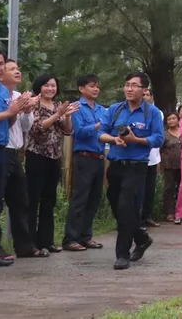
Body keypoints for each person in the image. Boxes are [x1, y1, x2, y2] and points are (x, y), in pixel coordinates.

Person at [101, 71, 163, 270]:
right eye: (127, 84)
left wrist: (136, 140)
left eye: (134, 85)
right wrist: (114, 139)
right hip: (116, 165)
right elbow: (101, 133)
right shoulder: (115, 109)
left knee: (126, 207)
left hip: (137, 167)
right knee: (117, 206)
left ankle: (122, 254)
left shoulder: (151, 112)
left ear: (144, 90)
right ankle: (141, 237)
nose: (128, 89)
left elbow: (158, 138)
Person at [0, 47, 27, 270]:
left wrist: (16, 111)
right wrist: (8, 113)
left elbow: (7, 122)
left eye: (0, 63)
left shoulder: (1, 90)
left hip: (1, 148)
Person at [0, 57, 39, 261]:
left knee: (20, 199)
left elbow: (26, 127)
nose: (17, 72)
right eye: (12, 69)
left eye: (18, 68)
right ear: (1, 75)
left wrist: (26, 111)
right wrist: (13, 110)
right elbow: (3, 125)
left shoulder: (19, 95)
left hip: (15, 153)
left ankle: (24, 246)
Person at [25, 73, 77, 256]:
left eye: (53, 86)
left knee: (49, 201)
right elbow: (38, 128)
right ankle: (30, 243)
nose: (50, 89)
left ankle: (47, 241)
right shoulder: (34, 103)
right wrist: (58, 114)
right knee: (33, 200)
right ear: (39, 86)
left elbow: (68, 131)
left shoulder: (57, 105)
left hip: (54, 157)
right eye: (46, 85)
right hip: (36, 156)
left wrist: (67, 116)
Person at [62, 74, 108, 252]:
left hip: (99, 158)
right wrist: (98, 126)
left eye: (97, 86)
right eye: (92, 86)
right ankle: (70, 238)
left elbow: (108, 126)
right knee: (80, 198)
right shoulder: (76, 108)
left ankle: (85, 236)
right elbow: (79, 132)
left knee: (94, 198)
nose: (96, 89)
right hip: (83, 157)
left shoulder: (102, 110)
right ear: (81, 88)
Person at [140, 88, 163, 229]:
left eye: (147, 95)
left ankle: (147, 216)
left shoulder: (157, 113)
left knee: (149, 189)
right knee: (138, 189)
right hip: (138, 157)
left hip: (153, 157)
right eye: (143, 95)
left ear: (152, 97)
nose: (145, 97)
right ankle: (137, 219)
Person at [160, 112, 182, 222]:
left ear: (178, 120)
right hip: (169, 165)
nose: (172, 121)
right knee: (169, 188)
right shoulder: (164, 134)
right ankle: (169, 212)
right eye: (169, 119)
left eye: (174, 118)